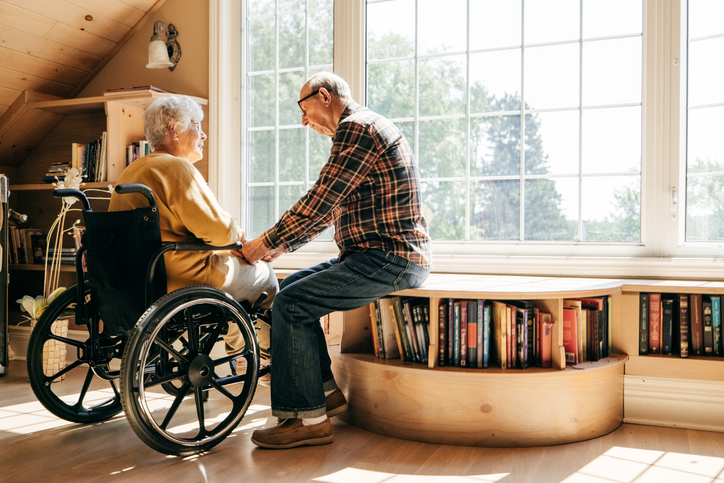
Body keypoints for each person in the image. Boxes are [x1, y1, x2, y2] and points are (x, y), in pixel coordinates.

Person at [240, 72, 432, 449]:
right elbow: (331, 210)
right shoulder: (364, 128)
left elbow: (321, 199)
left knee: (293, 304)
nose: (303, 120)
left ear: (324, 96)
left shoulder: (357, 128)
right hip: (376, 255)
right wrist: (281, 248)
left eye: (303, 108)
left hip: (390, 258)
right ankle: (324, 395)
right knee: (291, 288)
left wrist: (263, 241)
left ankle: (308, 421)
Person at [108, 95, 277, 367]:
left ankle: (240, 351)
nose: (204, 134)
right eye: (196, 125)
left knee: (240, 278)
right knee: (266, 277)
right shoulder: (175, 167)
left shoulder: (131, 171)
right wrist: (243, 242)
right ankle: (261, 360)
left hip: (141, 281)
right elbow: (220, 232)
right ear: (174, 130)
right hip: (186, 278)